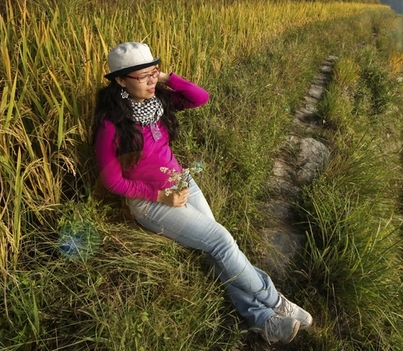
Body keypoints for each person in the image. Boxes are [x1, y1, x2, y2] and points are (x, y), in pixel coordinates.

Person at [92, 42, 312, 344]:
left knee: (215, 247)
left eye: (153, 72)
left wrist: (166, 78)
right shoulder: (111, 124)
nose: (151, 81)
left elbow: (200, 97)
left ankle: (265, 323)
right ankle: (275, 301)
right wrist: (160, 197)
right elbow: (112, 181)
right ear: (119, 80)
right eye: (142, 76)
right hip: (150, 202)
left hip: (182, 182)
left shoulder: (158, 102)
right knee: (220, 241)